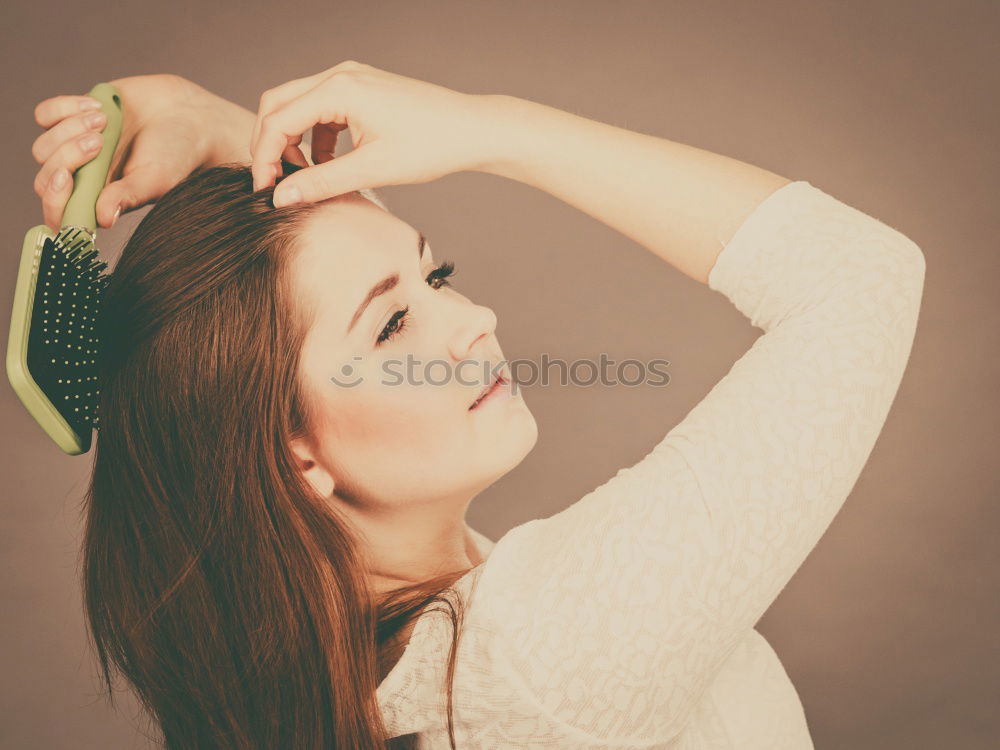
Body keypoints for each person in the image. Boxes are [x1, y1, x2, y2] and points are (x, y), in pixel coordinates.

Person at [30, 62, 925, 749]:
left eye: (439, 275)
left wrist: (229, 132)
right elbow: (862, 277)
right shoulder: (547, 652)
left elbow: (330, 280)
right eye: (393, 328)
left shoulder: (385, 672)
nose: (472, 322)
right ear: (295, 453)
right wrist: (491, 128)